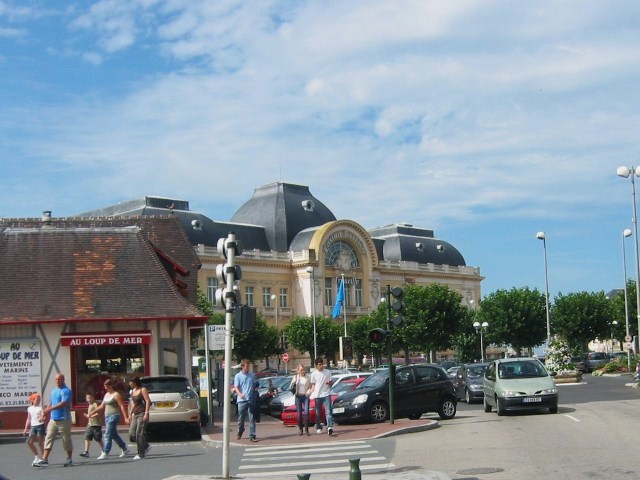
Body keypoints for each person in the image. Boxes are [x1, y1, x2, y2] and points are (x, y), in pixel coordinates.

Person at [34, 373, 74, 467]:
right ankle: (44, 460)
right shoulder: (53, 391)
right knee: (48, 438)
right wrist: (45, 413)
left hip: (64, 419)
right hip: (53, 420)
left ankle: (69, 459)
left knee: (66, 439)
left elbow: (63, 403)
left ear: (63, 380)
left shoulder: (66, 391)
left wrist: (49, 409)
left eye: (59, 379)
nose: (57, 381)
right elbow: (50, 403)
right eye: (56, 379)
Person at [91, 378, 130, 460]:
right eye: (105, 386)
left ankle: (105, 452)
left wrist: (126, 417)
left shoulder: (116, 394)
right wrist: (92, 412)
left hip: (114, 415)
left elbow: (122, 406)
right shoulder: (106, 395)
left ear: (111, 386)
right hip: (107, 416)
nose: (106, 388)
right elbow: (102, 406)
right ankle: (124, 448)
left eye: (107, 386)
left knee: (108, 434)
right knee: (114, 435)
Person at [232, 359, 257, 442]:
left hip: (250, 399)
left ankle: (252, 435)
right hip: (241, 400)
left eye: (248, 366)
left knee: (252, 417)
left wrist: (255, 388)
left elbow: (254, 385)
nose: (248, 368)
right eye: (246, 366)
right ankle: (240, 430)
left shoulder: (252, 375)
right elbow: (236, 387)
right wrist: (240, 394)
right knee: (241, 418)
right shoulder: (238, 376)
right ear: (242, 366)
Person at [128, 377, 151, 461]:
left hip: (142, 413)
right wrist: (130, 413)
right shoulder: (133, 391)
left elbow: (148, 401)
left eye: (130, 382)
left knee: (139, 433)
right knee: (132, 434)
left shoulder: (143, 389)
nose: (129, 384)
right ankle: (145, 445)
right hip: (135, 413)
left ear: (134, 382)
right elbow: (134, 403)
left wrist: (146, 413)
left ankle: (140, 453)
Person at [309, 357, 334, 435]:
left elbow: (331, 383)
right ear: (316, 365)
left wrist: (329, 383)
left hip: (326, 394)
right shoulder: (314, 374)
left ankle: (330, 427)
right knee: (318, 412)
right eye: (319, 364)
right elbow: (313, 385)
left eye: (322, 364)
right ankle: (319, 427)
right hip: (318, 395)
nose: (321, 366)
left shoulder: (327, 372)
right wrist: (309, 393)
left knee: (328, 412)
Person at [23, 393, 46, 466]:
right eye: (37, 399)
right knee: (29, 442)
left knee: (40, 443)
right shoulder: (29, 408)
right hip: (33, 427)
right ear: (32, 400)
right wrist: (26, 428)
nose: (38, 401)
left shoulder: (41, 408)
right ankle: (36, 457)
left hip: (40, 426)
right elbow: (28, 419)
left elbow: (43, 416)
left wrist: (42, 418)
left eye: (39, 400)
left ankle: (44, 459)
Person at [80, 392, 104, 458]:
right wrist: (87, 416)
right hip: (90, 424)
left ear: (93, 398)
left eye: (90, 397)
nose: (89, 399)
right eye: (87, 398)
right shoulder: (89, 405)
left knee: (98, 438)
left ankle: (104, 450)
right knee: (87, 437)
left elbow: (98, 413)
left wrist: (91, 416)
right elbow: (89, 415)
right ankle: (86, 452)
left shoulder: (95, 404)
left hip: (96, 424)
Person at [290, 364, 311, 436]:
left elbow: (311, 387)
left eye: (303, 370)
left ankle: (306, 430)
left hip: (305, 396)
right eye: (300, 370)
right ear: (298, 371)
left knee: (306, 413)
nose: (302, 371)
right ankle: (300, 429)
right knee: (299, 415)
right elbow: (291, 387)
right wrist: (294, 382)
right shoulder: (295, 377)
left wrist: (309, 391)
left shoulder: (308, 377)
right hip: (298, 397)